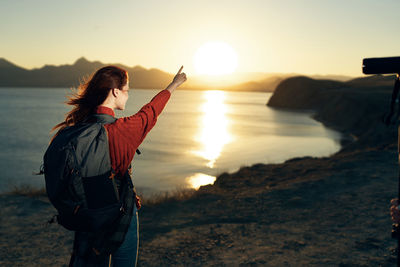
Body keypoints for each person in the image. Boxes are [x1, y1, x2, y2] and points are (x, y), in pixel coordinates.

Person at [50, 65, 187, 266]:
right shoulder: (121, 131)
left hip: (86, 213)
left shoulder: (75, 131)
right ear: (115, 92)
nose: (127, 96)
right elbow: (150, 111)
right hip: (118, 213)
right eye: (127, 91)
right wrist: (174, 84)